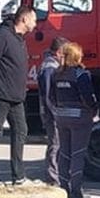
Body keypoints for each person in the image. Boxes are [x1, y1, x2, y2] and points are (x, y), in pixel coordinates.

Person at [0, 6, 37, 185]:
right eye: (34, 20)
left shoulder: (19, 38)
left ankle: (18, 176)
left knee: (21, 131)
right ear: (24, 20)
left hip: (16, 96)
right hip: (0, 94)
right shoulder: (3, 36)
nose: (35, 24)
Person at [52, 41, 98, 198]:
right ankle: (76, 191)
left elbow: (51, 97)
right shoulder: (81, 74)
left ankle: (63, 187)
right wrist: (94, 109)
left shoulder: (56, 74)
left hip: (61, 117)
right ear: (77, 56)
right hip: (80, 118)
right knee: (78, 153)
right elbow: (87, 97)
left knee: (64, 152)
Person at [37, 36, 70, 184]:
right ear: (58, 52)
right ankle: (52, 177)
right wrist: (55, 112)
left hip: (52, 111)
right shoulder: (50, 68)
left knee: (56, 143)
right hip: (52, 113)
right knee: (56, 144)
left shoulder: (49, 65)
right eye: (65, 53)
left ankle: (55, 175)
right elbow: (48, 95)